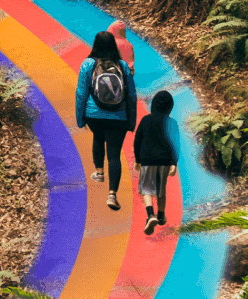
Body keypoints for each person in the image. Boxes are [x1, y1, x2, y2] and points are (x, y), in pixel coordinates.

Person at [76, 31, 138, 210]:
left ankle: (99, 172)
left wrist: (80, 119)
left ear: (95, 44)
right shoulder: (122, 65)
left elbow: (81, 93)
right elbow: (132, 95)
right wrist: (131, 121)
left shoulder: (88, 64)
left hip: (93, 114)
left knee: (98, 137)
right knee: (114, 154)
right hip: (118, 116)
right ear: (113, 46)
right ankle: (112, 195)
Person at [134, 90, 178, 234]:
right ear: (170, 107)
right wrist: (174, 162)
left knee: (146, 189)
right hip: (164, 160)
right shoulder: (172, 123)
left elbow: (137, 140)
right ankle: (161, 215)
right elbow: (176, 144)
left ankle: (150, 214)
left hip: (147, 159)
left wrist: (138, 159)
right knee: (160, 189)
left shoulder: (146, 120)